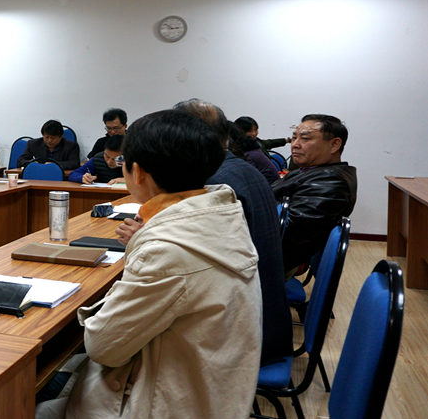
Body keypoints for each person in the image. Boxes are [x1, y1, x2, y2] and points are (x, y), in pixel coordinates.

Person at [36, 110, 261, 419]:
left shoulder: (167, 251)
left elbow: (102, 347)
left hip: (163, 404)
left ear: (138, 172)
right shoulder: (221, 216)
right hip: (209, 393)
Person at [172, 99, 293, 368]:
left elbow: (189, 262)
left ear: (184, 136)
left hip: (243, 334)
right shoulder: (241, 167)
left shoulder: (213, 182)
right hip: (268, 318)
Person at [273, 114, 357, 277]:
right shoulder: (311, 171)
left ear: (334, 144)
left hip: (269, 266)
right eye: (294, 138)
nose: (295, 145)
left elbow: (286, 234)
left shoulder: (330, 182)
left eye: (305, 139)